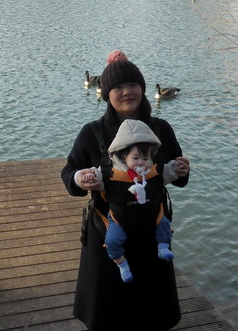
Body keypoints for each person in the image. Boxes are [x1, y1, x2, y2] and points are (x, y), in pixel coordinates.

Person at [62, 50, 191, 331]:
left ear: (142, 88)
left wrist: (181, 170)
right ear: (106, 94)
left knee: (146, 292)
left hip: (151, 228)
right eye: (118, 87)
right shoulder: (93, 133)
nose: (126, 92)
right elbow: (69, 172)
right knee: (110, 294)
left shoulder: (160, 128)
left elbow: (175, 174)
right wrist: (80, 180)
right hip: (108, 230)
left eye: (133, 84)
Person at [77, 118, 179, 283]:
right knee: (111, 240)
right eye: (136, 158)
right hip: (119, 218)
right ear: (123, 157)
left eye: (145, 159)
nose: (141, 163)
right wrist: (85, 178)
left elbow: (171, 171)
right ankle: (121, 263)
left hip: (152, 216)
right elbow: (92, 175)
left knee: (164, 225)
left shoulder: (155, 171)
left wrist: (179, 167)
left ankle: (163, 247)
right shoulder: (110, 173)